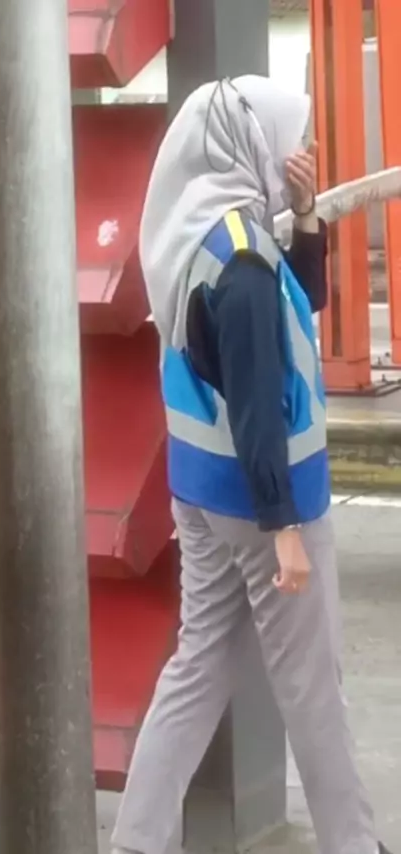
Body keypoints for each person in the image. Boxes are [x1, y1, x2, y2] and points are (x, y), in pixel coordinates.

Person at [111, 76, 388, 854]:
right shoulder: (244, 266)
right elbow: (261, 403)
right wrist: (284, 528)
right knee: (313, 689)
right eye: (289, 137)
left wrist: (304, 213)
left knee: (199, 666)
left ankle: (135, 842)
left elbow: (303, 299)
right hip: (264, 502)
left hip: (199, 493)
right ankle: (353, 843)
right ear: (249, 146)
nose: (302, 150)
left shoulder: (200, 232)